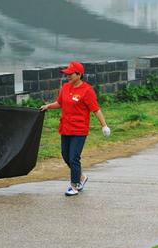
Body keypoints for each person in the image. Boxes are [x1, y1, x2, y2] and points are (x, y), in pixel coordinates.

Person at [40, 61, 111, 196]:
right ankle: (81, 177)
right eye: (66, 74)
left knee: (73, 157)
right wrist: (48, 106)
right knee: (65, 155)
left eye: (70, 74)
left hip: (79, 129)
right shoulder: (66, 87)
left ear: (79, 74)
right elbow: (59, 103)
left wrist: (104, 125)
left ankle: (74, 185)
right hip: (65, 127)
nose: (67, 76)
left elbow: (95, 110)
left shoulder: (87, 90)